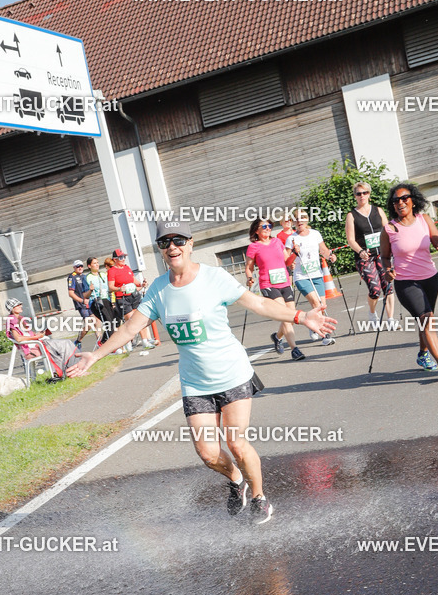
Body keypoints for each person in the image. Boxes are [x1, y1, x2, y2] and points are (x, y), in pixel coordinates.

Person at [68, 217, 338, 523]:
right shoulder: (158, 289)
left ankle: (260, 497)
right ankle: (236, 480)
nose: (173, 247)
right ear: (160, 250)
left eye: (179, 241)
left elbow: (260, 305)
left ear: (190, 244)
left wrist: (302, 316)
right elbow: (131, 327)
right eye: (165, 243)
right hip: (196, 383)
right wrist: (96, 355)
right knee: (209, 453)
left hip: (232, 374)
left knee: (236, 442)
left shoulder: (214, 278)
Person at [380, 183, 438, 379]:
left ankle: (423, 354)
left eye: (404, 198)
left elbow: (435, 237)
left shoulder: (424, 219)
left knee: (426, 318)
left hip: (431, 278)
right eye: (395, 201)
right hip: (406, 282)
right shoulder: (389, 228)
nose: (400, 203)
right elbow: (385, 257)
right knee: (426, 319)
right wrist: (388, 270)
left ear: (413, 200)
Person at [245, 217, 305, 360]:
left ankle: (277, 337)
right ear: (256, 231)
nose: (268, 228)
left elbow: (287, 261)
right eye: (264, 226)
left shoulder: (277, 242)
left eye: (269, 226)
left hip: (284, 282)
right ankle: (295, 349)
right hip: (268, 284)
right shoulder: (254, 247)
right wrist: (249, 278)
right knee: (285, 315)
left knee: (290, 317)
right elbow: (249, 268)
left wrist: (295, 254)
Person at [345, 181, 397, 329]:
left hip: (382, 254)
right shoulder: (351, 215)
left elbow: (388, 230)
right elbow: (350, 239)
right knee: (375, 289)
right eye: (358, 194)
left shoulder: (378, 210)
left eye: (364, 193)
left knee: (388, 286)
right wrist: (360, 251)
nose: (362, 196)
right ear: (355, 196)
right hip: (365, 257)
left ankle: (391, 319)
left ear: (369, 194)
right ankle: (372, 313)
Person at [285, 208, 337, 345]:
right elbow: (286, 261)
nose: (299, 220)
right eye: (296, 218)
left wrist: (330, 256)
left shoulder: (315, 234)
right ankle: (325, 336)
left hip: (317, 274)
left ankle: (312, 327)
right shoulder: (291, 238)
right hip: (301, 277)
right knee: (316, 303)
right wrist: (294, 254)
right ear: (293, 222)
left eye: (302, 217)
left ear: (307, 219)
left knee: (322, 305)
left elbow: (324, 250)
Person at [107, 247, 156, 350]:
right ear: (115, 259)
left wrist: (142, 284)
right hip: (122, 298)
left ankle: (145, 341)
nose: (123, 259)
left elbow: (134, 280)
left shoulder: (127, 268)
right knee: (130, 320)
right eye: (121, 257)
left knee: (139, 319)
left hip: (134, 296)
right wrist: (120, 288)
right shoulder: (112, 271)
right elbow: (110, 287)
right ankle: (127, 342)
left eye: (124, 257)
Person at [67, 260, 93, 350]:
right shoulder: (72, 277)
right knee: (89, 324)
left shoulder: (85, 276)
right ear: (74, 268)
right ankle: (78, 341)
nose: (80, 268)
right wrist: (82, 300)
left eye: (81, 266)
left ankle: (101, 342)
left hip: (90, 303)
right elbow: (71, 293)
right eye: (78, 266)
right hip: (82, 305)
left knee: (95, 323)